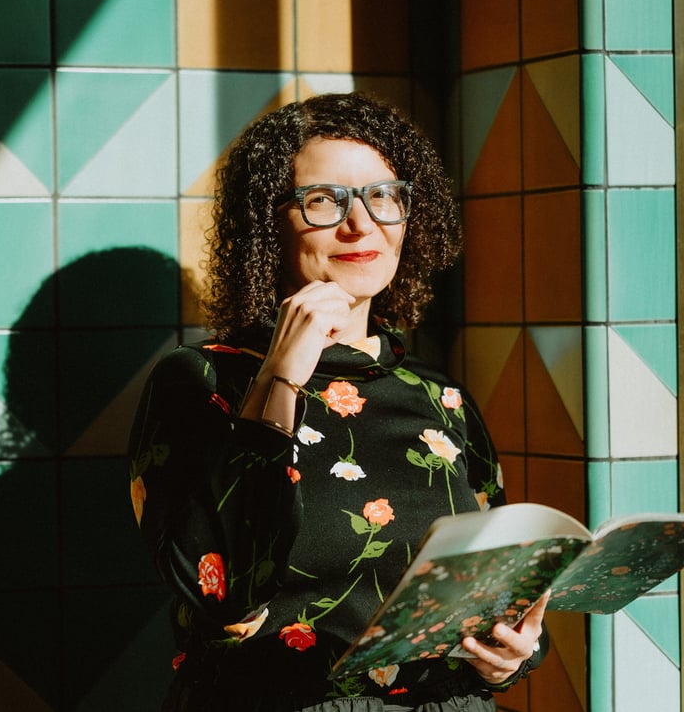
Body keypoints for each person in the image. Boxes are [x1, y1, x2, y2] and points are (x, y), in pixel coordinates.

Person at [127, 92, 548, 711]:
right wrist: (282, 376)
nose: (361, 225)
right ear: (267, 223)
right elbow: (219, 591)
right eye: (323, 200)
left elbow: (489, 588)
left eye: (384, 195)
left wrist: (508, 656)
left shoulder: (438, 395)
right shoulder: (198, 383)